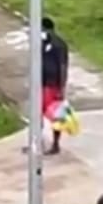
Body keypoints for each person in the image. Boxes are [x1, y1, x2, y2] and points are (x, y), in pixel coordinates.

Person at [42, 16, 69, 155]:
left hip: (53, 85)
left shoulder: (59, 44)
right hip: (41, 83)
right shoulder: (42, 43)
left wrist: (61, 87)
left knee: (56, 116)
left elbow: (63, 66)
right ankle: (37, 141)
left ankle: (55, 144)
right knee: (37, 114)